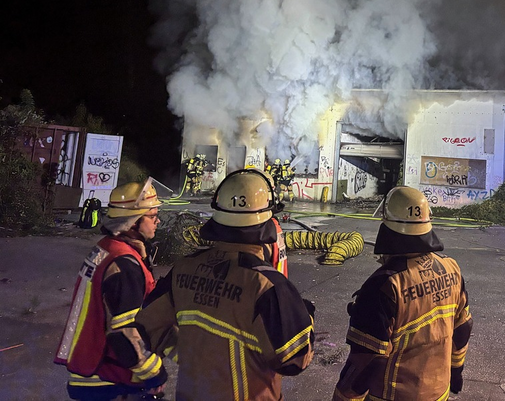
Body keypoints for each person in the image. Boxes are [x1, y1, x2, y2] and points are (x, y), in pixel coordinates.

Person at [136, 168, 315, 401]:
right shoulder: (268, 287)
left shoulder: (182, 269)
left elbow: (147, 326)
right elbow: (294, 361)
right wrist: (306, 316)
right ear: (267, 225)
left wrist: (191, 353)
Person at [333, 186, 473, 401]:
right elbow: (463, 326)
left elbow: (365, 363)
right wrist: (456, 370)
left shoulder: (385, 285)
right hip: (438, 393)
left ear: (386, 227)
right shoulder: (451, 267)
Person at [55, 178, 168, 400]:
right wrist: (155, 375)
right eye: (153, 215)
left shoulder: (107, 248)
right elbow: (123, 334)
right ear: (134, 221)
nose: (158, 221)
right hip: (110, 377)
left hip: (93, 370)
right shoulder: (125, 264)